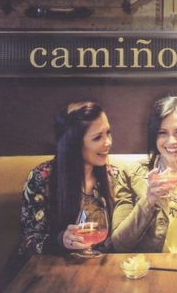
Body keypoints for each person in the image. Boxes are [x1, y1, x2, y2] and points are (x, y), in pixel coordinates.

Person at [111, 95, 177, 252]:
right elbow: (119, 244)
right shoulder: (130, 174)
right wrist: (148, 200)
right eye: (162, 132)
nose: (171, 141)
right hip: (146, 264)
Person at [19, 101, 117, 256]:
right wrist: (60, 240)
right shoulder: (42, 177)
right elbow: (28, 241)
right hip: (58, 266)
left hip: (103, 265)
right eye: (98, 137)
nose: (108, 142)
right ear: (74, 143)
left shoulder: (113, 176)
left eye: (108, 133)